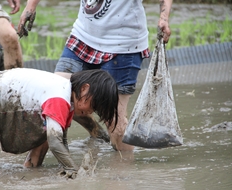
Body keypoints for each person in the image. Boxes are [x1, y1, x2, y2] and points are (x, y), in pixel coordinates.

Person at [19, 0, 173, 151]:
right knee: (57, 96)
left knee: (115, 122)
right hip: (83, 36)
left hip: (123, 45)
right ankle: (96, 133)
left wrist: (164, 18)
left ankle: (124, 170)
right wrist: (30, 6)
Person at [0, 68, 119, 179]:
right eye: (93, 104)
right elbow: (56, 141)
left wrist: (70, 165)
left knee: (48, 132)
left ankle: (30, 171)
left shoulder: (67, 98)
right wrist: (72, 171)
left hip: (6, 98)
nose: (91, 111)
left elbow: (60, 137)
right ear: (84, 88)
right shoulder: (60, 96)